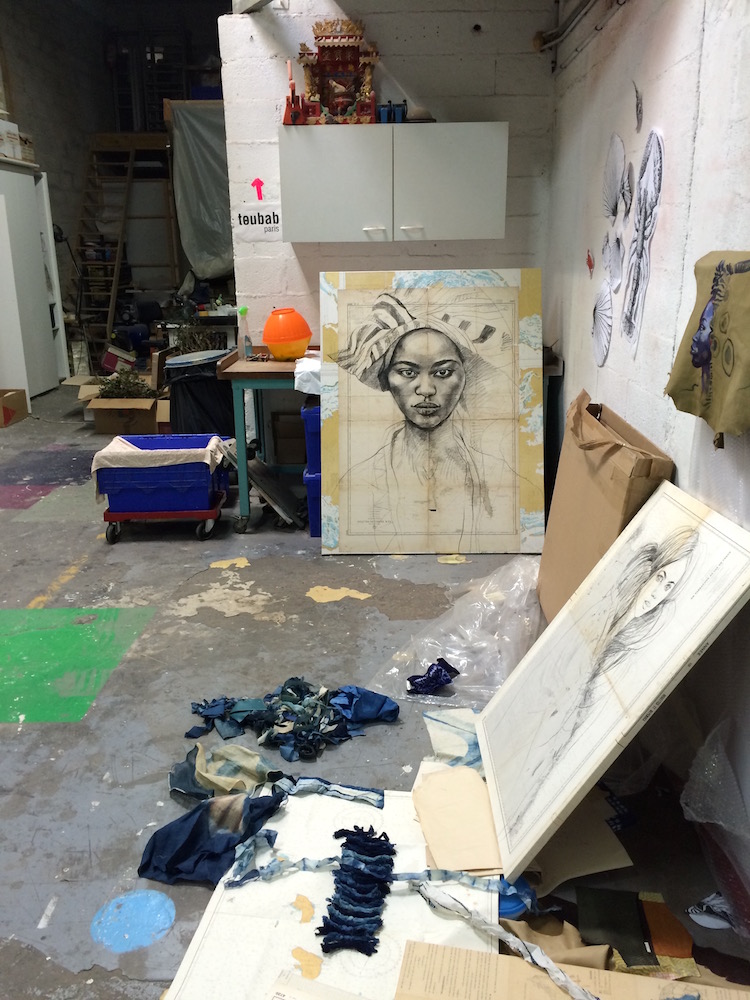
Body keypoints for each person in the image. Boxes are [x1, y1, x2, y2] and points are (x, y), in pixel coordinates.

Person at [333, 291, 504, 545]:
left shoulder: (499, 476)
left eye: (443, 372)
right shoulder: (359, 480)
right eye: (407, 372)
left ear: (465, 377)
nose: (426, 390)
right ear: (386, 378)